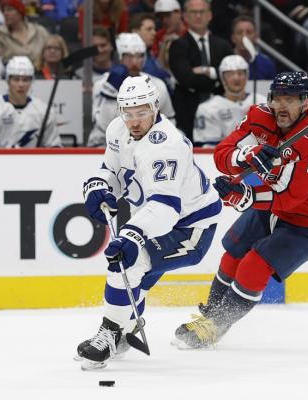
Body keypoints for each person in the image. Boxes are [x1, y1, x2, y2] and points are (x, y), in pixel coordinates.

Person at [173, 71, 308, 349]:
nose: (281, 106)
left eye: (289, 99)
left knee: (254, 265)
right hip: (271, 202)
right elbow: (222, 155)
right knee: (232, 256)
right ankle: (210, 318)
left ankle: (217, 326)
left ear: (305, 102)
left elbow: (291, 199)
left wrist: (245, 195)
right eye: (277, 98)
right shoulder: (258, 115)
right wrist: (246, 156)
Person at [77, 75, 221, 369]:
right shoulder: (118, 129)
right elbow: (113, 170)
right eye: (127, 113)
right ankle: (123, 332)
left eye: (142, 112)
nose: (134, 121)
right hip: (161, 219)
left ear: (156, 107)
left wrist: (132, 234)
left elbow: (166, 208)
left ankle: (109, 334)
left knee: (127, 262)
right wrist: (98, 185)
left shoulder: (165, 145)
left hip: (191, 228)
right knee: (133, 280)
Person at [87, 32, 175, 147]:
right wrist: (111, 90)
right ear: (119, 56)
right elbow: (103, 124)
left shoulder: (157, 84)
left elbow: (169, 119)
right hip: (105, 143)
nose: (134, 62)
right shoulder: (102, 84)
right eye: (128, 56)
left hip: (147, 142)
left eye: (139, 56)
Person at [168, 0, 233, 139]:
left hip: (221, 113)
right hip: (188, 114)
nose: (198, 16)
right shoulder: (178, 45)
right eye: (193, 12)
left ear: (209, 15)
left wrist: (208, 71)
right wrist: (217, 78)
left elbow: (231, 76)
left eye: (202, 12)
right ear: (185, 16)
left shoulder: (224, 45)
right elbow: (187, 79)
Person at [0, 56, 61, 148]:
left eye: (25, 80)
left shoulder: (44, 111)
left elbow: (54, 147)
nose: (21, 85)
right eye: (16, 79)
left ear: (31, 81)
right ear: (8, 81)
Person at [193, 54, 266, 147]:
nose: (236, 78)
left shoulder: (262, 102)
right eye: (230, 74)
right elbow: (207, 146)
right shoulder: (207, 108)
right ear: (222, 77)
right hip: (224, 157)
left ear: (247, 75)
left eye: (240, 73)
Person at [0, 0, 50, 65]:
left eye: (9, 10)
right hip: (11, 73)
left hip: (41, 72)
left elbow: (51, 48)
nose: (5, 13)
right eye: (3, 10)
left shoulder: (39, 31)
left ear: (20, 12)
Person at [230, 15, 276, 80]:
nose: (244, 37)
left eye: (248, 32)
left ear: (256, 37)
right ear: (233, 38)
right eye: (239, 33)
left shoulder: (266, 63)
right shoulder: (225, 62)